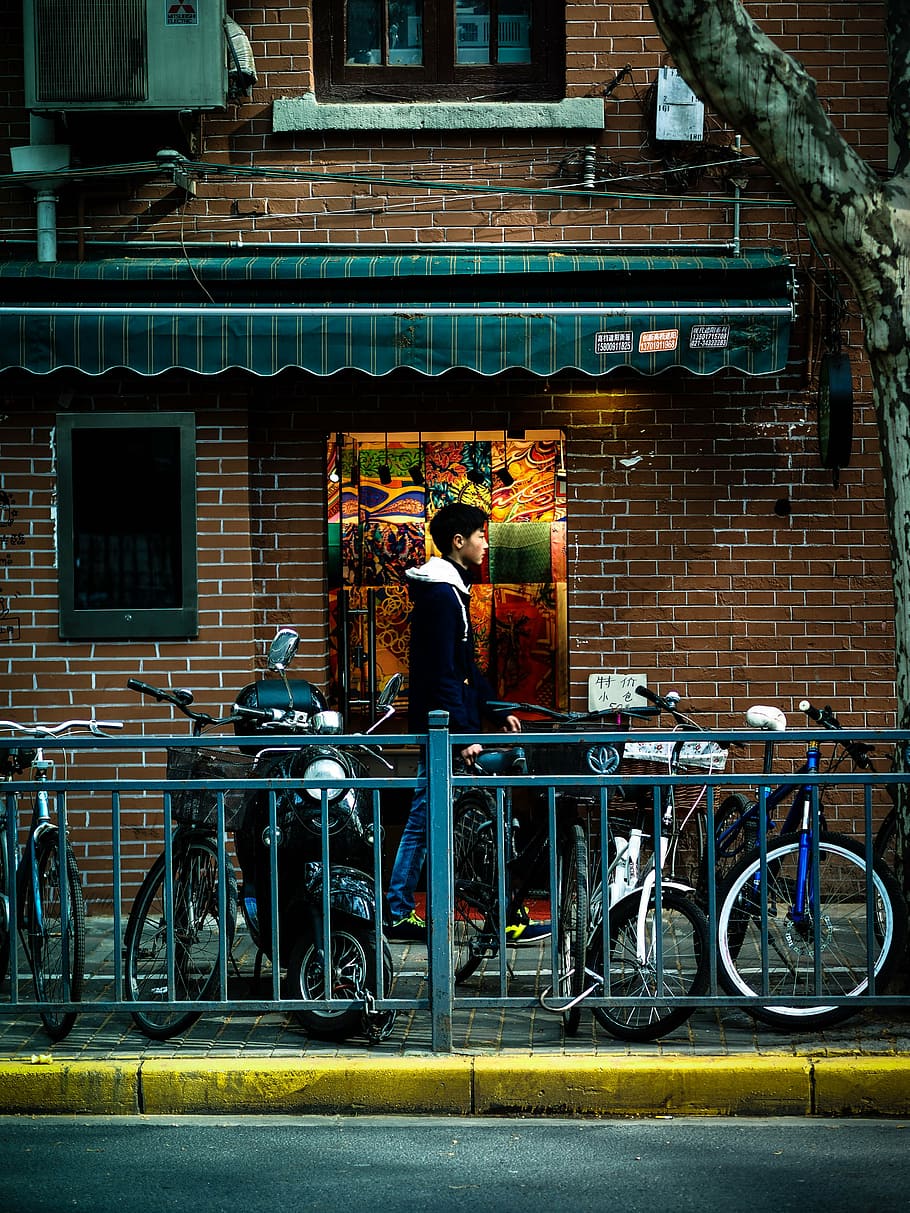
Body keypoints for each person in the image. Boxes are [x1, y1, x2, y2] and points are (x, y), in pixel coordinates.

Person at [386, 501, 550, 944]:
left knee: (438, 816)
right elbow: (441, 672)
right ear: (458, 541)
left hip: (446, 725)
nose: (485, 542)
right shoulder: (441, 595)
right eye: (479, 534)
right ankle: (405, 909)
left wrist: (497, 709)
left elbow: (465, 670)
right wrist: (460, 736)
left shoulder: (450, 591)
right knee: (434, 817)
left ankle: (409, 909)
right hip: (443, 729)